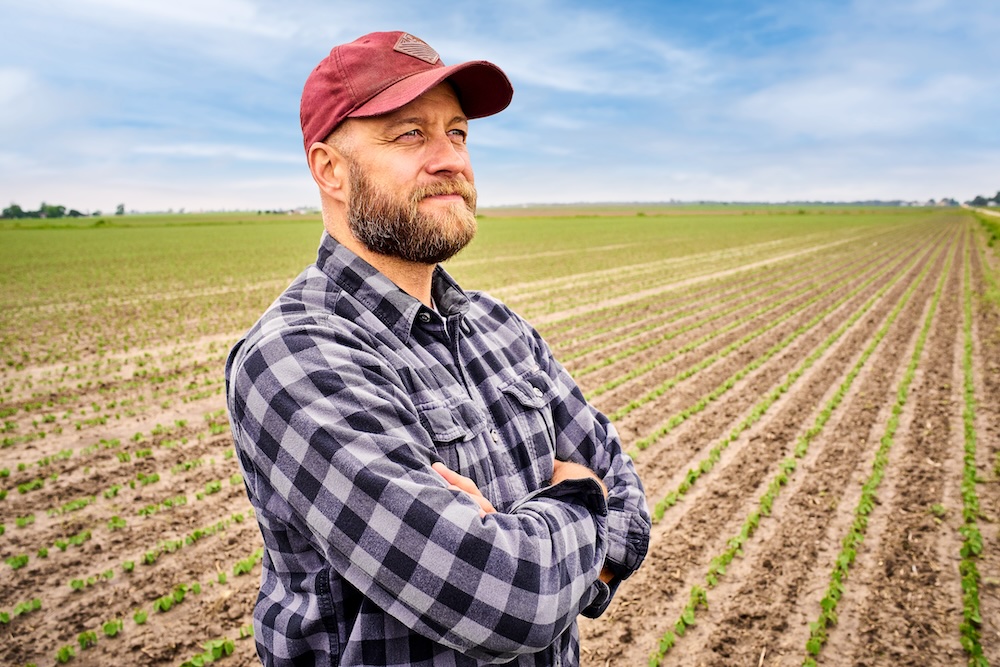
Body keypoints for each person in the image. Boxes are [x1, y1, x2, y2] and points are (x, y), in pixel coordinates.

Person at [226, 30, 650, 667]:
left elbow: (630, 505)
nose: (450, 157)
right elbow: (507, 599)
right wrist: (578, 500)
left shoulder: (500, 328)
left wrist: (536, 544)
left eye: (458, 133)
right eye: (409, 134)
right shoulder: (296, 357)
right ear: (329, 169)